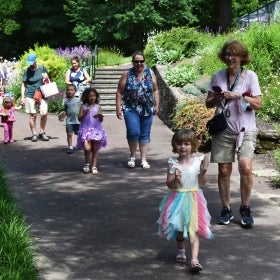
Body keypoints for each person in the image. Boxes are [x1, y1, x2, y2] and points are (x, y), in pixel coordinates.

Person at [205, 39, 262, 227]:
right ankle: (226, 208)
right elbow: (208, 103)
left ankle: (245, 208)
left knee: (245, 167)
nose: (230, 57)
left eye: (234, 54)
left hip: (245, 130)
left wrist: (240, 95)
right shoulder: (218, 76)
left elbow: (258, 104)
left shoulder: (250, 76)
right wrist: (217, 98)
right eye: (228, 54)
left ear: (242, 57)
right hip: (223, 129)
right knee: (224, 170)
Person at [157, 128, 213, 272]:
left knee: (193, 230)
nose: (183, 147)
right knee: (180, 229)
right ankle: (181, 250)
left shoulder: (198, 161)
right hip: (177, 198)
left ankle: (195, 260)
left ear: (193, 145)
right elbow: (169, 184)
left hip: (194, 199)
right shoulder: (172, 163)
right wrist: (176, 179)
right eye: (180, 143)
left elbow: (203, 182)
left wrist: (203, 172)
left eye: (187, 143)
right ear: (175, 145)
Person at [115, 51, 159, 169]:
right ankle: (133, 156)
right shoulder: (127, 74)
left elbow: (155, 90)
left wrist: (156, 105)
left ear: (144, 61)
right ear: (133, 62)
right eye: (136, 61)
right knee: (134, 132)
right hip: (131, 108)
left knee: (145, 134)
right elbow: (119, 91)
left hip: (147, 108)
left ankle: (144, 159)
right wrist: (118, 108)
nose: (139, 63)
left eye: (141, 61)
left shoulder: (150, 72)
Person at [77, 87, 107, 175]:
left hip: (96, 130)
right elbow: (79, 118)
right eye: (90, 96)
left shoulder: (98, 107)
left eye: (94, 96)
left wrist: (100, 116)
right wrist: (85, 113)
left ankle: (94, 166)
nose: (92, 97)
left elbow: (101, 120)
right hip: (86, 130)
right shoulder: (83, 107)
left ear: (96, 97)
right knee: (87, 148)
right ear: (86, 97)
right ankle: (86, 164)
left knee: (95, 149)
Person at [21, 53, 50, 142]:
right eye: (29, 62)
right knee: (33, 115)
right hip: (30, 94)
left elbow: (48, 81)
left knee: (44, 113)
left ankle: (42, 132)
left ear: (36, 60)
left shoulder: (42, 68)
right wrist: (22, 97)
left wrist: (46, 77)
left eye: (32, 62)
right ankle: (34, 133)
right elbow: (23, 85)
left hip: (42, 93)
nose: (31, 64)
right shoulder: (27, 71)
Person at [58, 84, 81, 154]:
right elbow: (65, 110)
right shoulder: (66, 101)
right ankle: (70, 147)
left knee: (80, 134)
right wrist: (62, 116)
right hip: (69, 121)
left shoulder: (79, 100)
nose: (69, 91)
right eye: (68, 90)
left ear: (75, 91)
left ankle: (80, 144)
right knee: (69, 134)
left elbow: (82, 109)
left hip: (78, 121)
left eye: (71, 90)